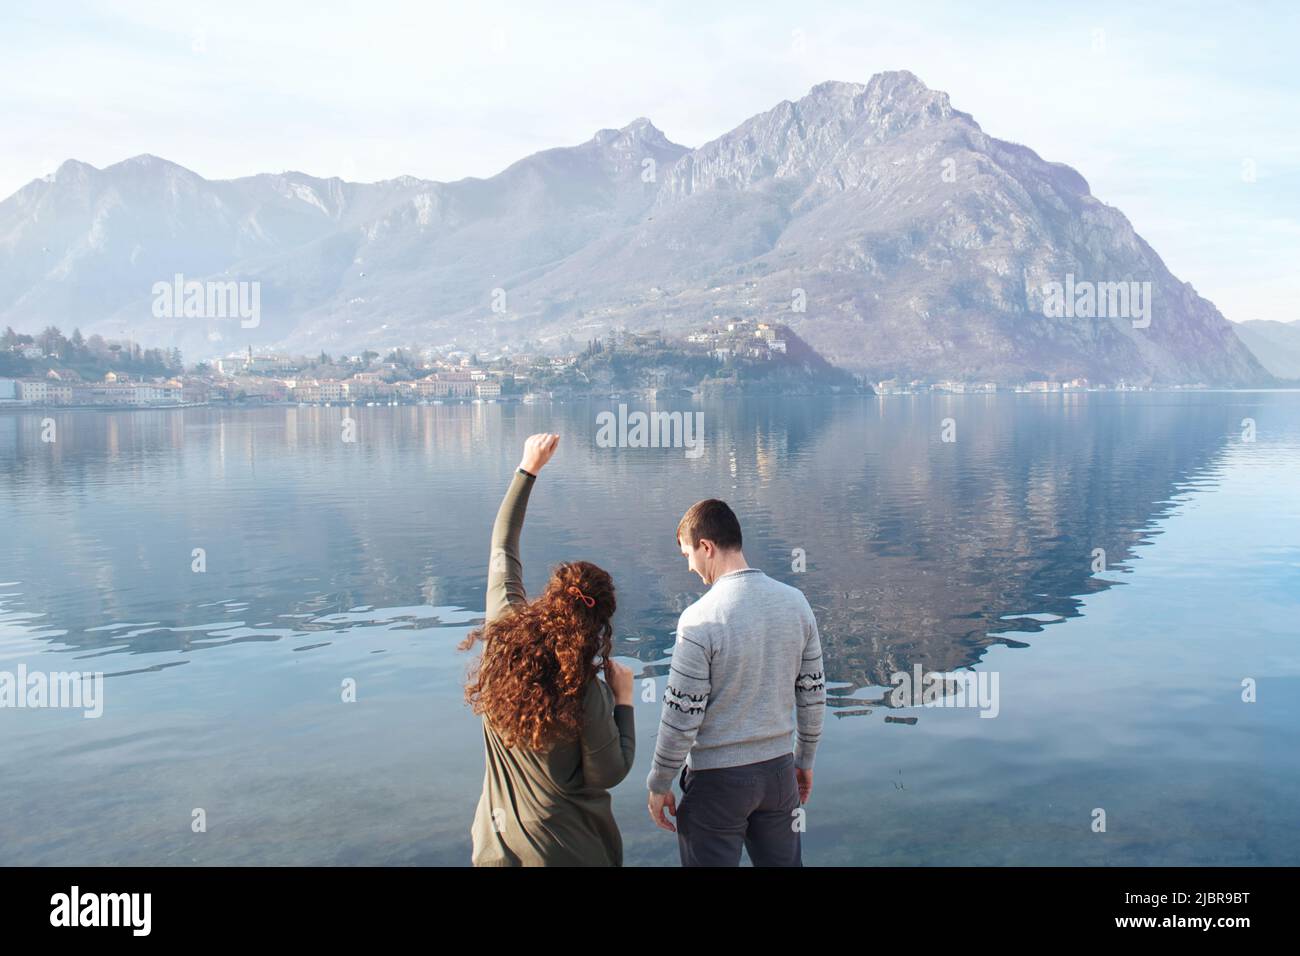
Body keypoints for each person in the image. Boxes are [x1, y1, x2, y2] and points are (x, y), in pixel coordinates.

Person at [461, 433, 636, 866]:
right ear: (598, 625)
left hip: (496, 847)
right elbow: (608, 772)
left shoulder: (502, 639)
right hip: (570, 851)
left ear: (550, 596)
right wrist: (625, 703)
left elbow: (502, 546)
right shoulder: (586, 692)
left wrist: (528, 468)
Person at [646, 498, 826, 866]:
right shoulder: (796, 603)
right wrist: (803, 759)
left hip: (716, 783)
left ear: (706, 547)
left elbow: (682, 715)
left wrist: (659, 781)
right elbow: (813, 694)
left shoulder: (700, 619)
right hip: (778, 775)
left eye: (688, 555)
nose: (691, 567)